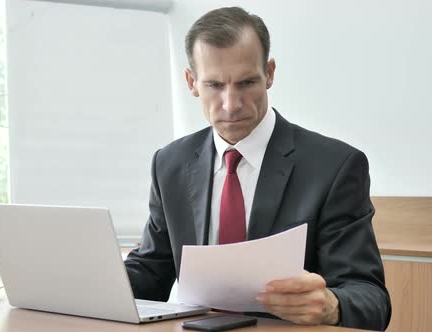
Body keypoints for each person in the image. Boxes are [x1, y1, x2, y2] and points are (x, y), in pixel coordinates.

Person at [124, 6, 391, 331]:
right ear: (192, 82)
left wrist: (330, 306)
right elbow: (152, 270)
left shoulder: (335, 167)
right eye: (214, 85)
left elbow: (371, 300)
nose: (231, 104)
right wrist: (90, 282)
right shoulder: (169, 163)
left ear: (269, 73)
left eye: (246, 82)